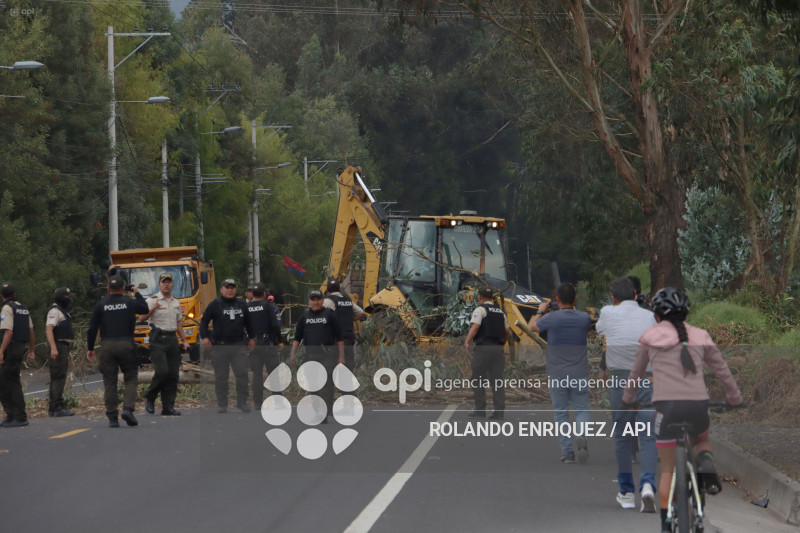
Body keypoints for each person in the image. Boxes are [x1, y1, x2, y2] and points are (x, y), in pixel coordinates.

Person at [622, 287, 744, 533]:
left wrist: (628, 399)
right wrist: (734, 398)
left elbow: (635, 374)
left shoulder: (649, 337)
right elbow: (722, 370)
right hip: (698, 405)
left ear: (656, 315)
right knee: (700, 441)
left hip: (667, 408)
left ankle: (667, 525)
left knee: (667, 470)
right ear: (686, 313)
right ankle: (706, 461)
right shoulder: (701, 335)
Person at [596, 277, 658, 512]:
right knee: (648, 437)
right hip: (646, 381)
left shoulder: (608, 312)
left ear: (613, 298)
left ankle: (626, 493)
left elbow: (599, 329)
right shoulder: (650, 317)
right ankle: (648, 486)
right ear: (635, 294)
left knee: (622, 438)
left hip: (620, 381)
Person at [529, 282, 592, 463]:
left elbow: (534, 327)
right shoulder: (584, 317)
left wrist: (541, 311)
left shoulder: (552, 318)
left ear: (557, 299)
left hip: (557, 372)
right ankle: (582, 437)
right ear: (575, 299)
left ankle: (568, 452)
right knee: (582, 410)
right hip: (579, 371)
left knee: (561, 413)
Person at [87, 275, 149, 428]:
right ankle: (128, 409)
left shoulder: (101, 305)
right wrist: (136, 292)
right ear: (123, 288)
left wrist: (90, 348)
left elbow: (92, 328)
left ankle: (112, 417)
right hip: (126, 344)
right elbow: (145, 308)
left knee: (110, 382)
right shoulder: (129, 302)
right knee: (131, 378)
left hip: (107, 345)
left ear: (108, 288)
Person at [200, 279, 255, 413]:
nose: (230, 290)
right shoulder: (215, 304)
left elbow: (250, 323)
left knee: (242, 374)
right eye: (227, 287)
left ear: (235, 290)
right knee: (221, 376)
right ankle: (222, 404)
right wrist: (205, 337)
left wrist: (252, 338)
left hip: (238, 346)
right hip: (220, 346)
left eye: (232, 287)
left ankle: (242, 402)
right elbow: (204, 322)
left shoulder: (242, 304)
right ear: (221, 289)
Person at [140, 273, 191, 416]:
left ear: (172, 285)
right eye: (164, 282)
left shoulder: (176, 302)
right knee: (162, 372)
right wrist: (153, 309)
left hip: (172, 339)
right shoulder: (151, 300)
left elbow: (179, 323)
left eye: (169, 282)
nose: (166, 285)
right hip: (158, 340)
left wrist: (185, 340)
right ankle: (150, 397)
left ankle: (168, 407)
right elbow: (141, 318)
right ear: (159, 285)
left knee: (173, 375)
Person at [290, 290, 344, 423]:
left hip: (327, 356)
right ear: (309, 301)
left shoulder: (330, 315)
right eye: (313, 299)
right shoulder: (304, 317)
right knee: (313, 386)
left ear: (322, 300)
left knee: (325, 383)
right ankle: (317, 411)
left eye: (318, 299)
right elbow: (297, 338)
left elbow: (340, 337)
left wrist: (341, 356)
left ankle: (323, 413)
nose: (315, 302)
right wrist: (293, 353)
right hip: (310, 356)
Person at [464, 286, 510, 420]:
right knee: (497, 381)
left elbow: (476, 326)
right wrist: (501, 344)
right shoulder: (500, 312)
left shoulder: (480, 309)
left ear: (480, 297)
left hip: (483, 348)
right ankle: (499, 412)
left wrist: (467, 341)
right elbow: (507, 331)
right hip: (497, 350)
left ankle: (480, 410)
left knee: (477, 379)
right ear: (492, 298)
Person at [0, 282, 35, 427]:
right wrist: (31, 350)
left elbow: (8, 332)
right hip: (20, 347)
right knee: (4, 381)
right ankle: (11, 414)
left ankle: (19, 416)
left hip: (11, 348)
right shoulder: (23, 309)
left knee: (10, 382)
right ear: (14, 293)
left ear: (2, 296)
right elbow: (31, 331)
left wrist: (1, 351)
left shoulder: (7, 308)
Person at [324, 278, 366, 391]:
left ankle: (329, 402)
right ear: (339, 289)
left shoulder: (327, 301)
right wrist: (349, 320)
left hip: (333, 342)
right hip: (348, 340)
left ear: (327, 290)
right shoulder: (348, 301)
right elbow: (362, 313)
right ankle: (348, 402)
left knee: (329, 373)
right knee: (347, 373)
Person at [247, 282, 283, 409]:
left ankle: (257, 403)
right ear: (264, 294)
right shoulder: (268, 306)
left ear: (252, 294)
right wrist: (279, 340)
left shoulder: (247, 307)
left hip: (253, 345)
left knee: (256, 374)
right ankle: (278, 402)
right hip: (267, 344)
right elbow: (275, 325)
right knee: (273, 373)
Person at [45, 287, 76, 417]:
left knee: (59, 376)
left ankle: (54, 407)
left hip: (62, 346)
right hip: (58, 345)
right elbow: (49, 329)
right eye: (67, 297)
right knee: (58, 376)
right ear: (60, 297)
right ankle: (56, 406)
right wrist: (53, 348)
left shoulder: (61, 310)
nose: (69, 299)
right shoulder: (54, 310)